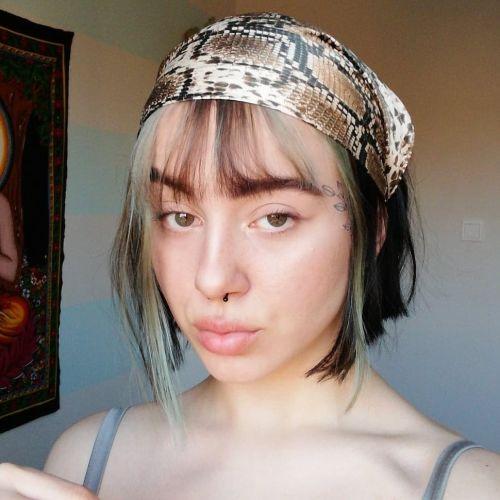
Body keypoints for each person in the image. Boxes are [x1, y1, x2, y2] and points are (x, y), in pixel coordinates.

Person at [1, 12, 499, 500]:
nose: (212, 278)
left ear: (372, 231)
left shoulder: (469, 488)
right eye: (179, 215)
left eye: (275, 217)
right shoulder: (87, 459)